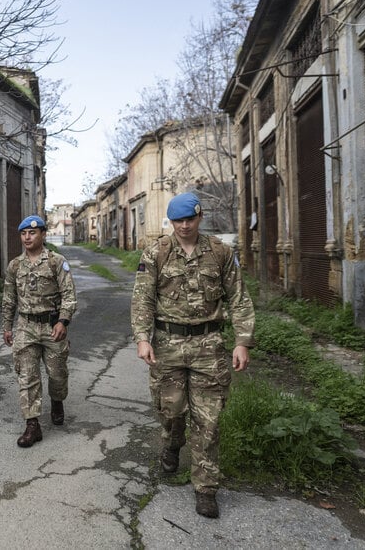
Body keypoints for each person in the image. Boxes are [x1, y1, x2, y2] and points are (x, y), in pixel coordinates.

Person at [131, 192, 255, 519]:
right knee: (171, 411)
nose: (184, 226)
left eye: (190, 219)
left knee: (209, 420)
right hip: (167, 345)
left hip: (208, 346)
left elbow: (239, 299)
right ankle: (173, 443)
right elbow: (142, 300)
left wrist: (243, 341)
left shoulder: (220, 252)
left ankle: (205, 487)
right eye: (178, 220)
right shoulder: (155, 252)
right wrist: (143, 339)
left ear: (199, 218)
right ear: (171, 222)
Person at [1, 215, 77, 448]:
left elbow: (69, 295)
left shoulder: (56, 261)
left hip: (52, 326)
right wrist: (7, 326)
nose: (27, 237)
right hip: (26, 326)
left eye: (32, 233)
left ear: (43, 234)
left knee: (57, 374)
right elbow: (9, 298)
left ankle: (57, 400)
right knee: (27, 375)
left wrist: (63, 321)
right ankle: (32, 424)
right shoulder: (15, 265)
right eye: (23, 233)